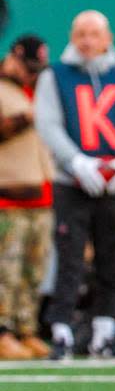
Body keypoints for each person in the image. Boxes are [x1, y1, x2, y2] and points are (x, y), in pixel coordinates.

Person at [35, 11, 115, 359]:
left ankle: (106, 332)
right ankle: (61, 331)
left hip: (114, 181)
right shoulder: (56, 76)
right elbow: (49, 124)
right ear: (71, 37)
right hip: (71, 182)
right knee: (69, 257)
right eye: (80, 34)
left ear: (108, 38)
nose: (87, 41)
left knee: (111, 258)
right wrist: (76, 162)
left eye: (94, 34)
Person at [0, 35, 53, 360]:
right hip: (8, 196)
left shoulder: (40, 91)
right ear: (14, 58)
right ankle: (2, 331)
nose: (32, 74)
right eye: (28, 67)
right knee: (5, 269)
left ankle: (26, 328)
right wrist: (28, 116)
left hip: (41, 195)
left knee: (33, 271)